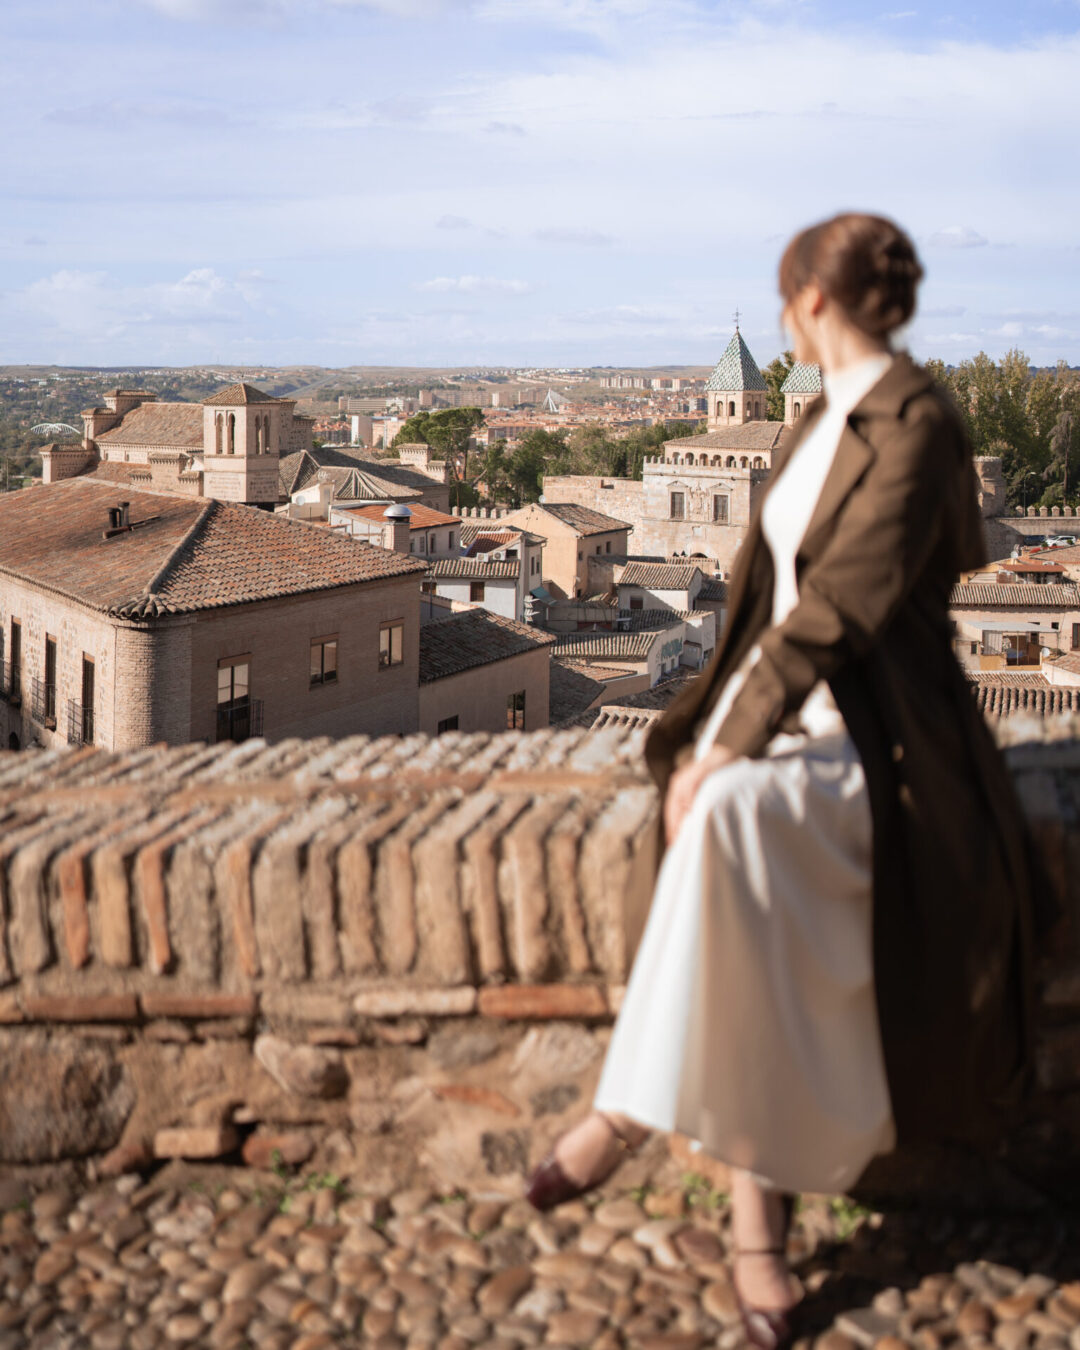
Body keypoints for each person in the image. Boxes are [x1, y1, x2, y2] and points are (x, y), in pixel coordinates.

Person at [524, 212, 1042, 1349]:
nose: (777, 321)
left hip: (881, 731)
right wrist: (726, 730)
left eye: (783, 301)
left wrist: (722, 741)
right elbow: (767, 598)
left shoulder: (919, 423)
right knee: (727, 839)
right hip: (789, 719)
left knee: (724, 814)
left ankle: (626, 1111)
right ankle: (746, 1224)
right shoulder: (811, 422)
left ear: (815, 302)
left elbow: (838, 607)